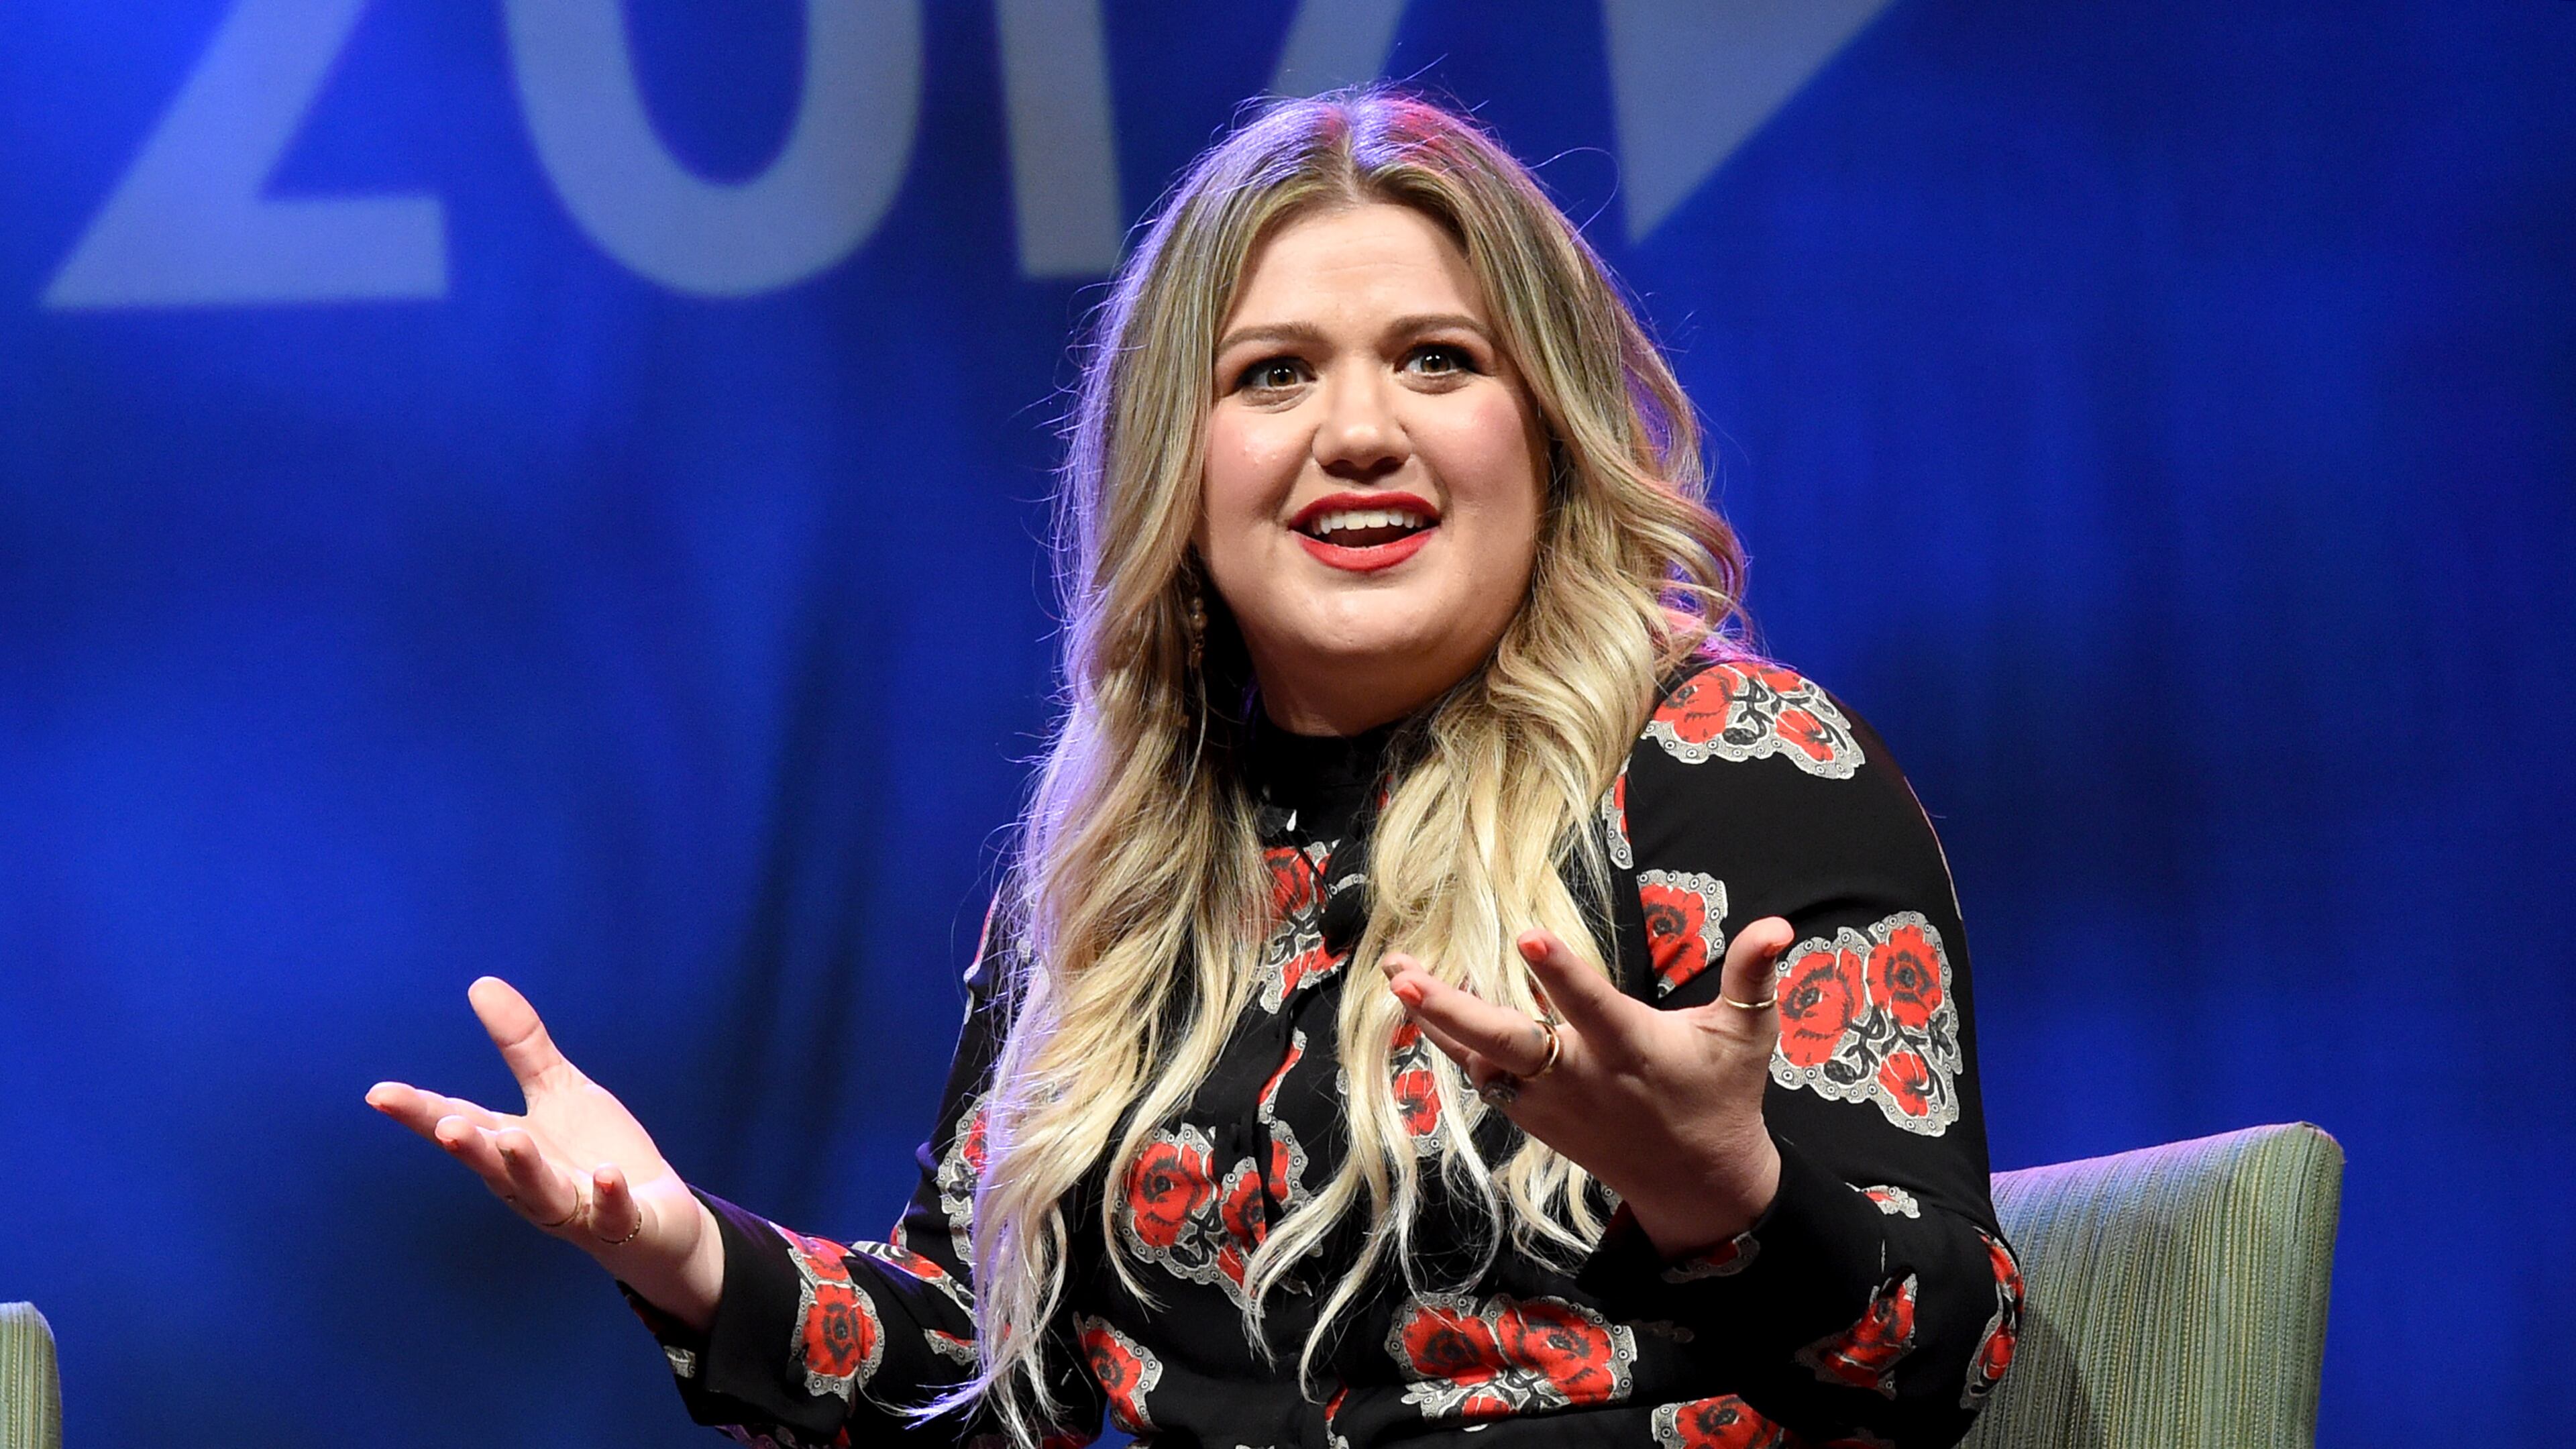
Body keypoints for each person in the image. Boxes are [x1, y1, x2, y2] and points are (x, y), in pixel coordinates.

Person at [367, 92, 2021, 1449]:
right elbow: (979, 1372)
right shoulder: (1128, 860)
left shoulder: (1731, 764)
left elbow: (1944, 1359)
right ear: (1184, 463)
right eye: (1272, 374)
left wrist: (1718, 1184)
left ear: (1549, 432)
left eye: (1437, 360)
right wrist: (682, 1253)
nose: (1357, 430)